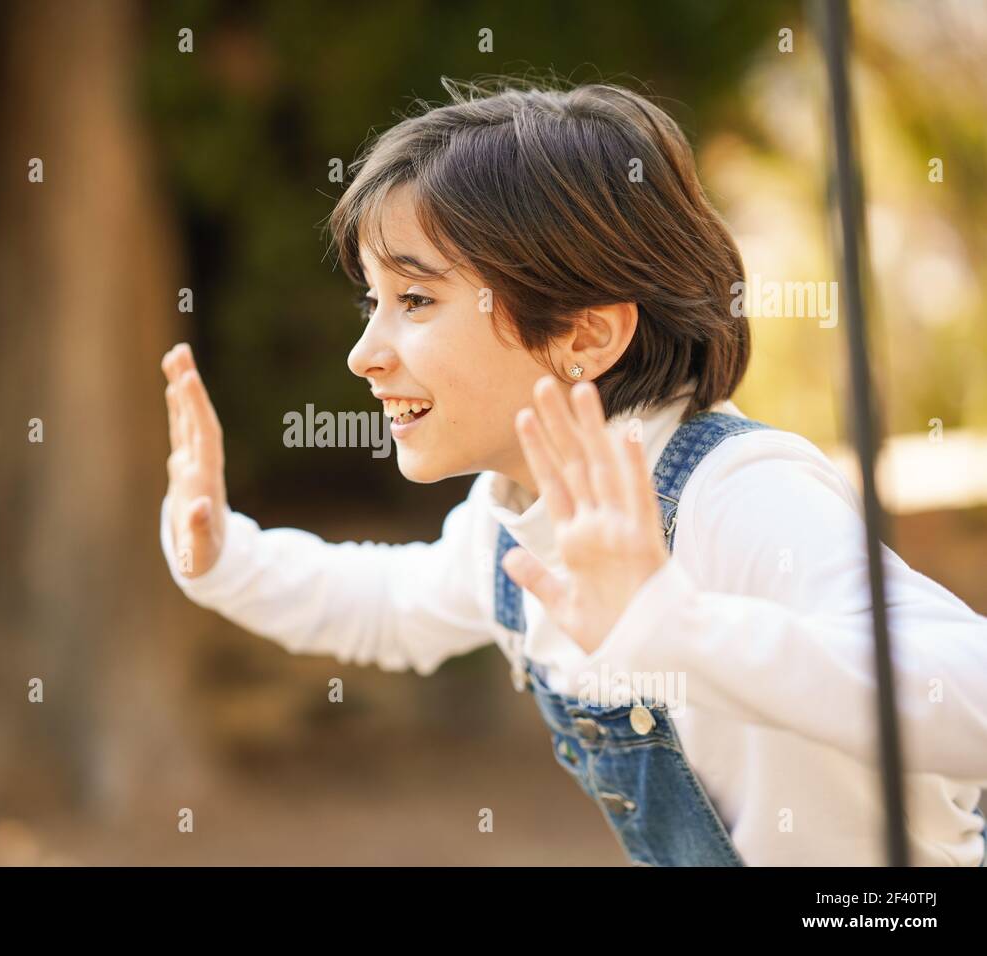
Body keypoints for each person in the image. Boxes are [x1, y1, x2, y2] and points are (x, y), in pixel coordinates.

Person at [158, 79, 987, 866]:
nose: (364, 354)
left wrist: (675, 626)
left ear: (585, 337)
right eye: (370, 302)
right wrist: (225, 557)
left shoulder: (733, 493)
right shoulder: (514, 515)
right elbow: (389, 605)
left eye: (415, 301)